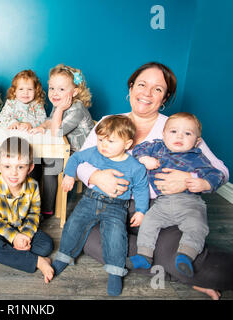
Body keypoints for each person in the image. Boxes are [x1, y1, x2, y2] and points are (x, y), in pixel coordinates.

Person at [75, 62, 231, 299]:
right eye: (142, 85)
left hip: (162, 211)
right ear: (131, 87)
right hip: (112, 207)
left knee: (207, 269)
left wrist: (188, 179)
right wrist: (96, 175)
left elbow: (221, 170)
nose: (147, 93)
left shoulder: (177, 128)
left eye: (157, 89)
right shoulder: (109, 121)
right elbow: (80, 163)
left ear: (165, 98)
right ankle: (175, 270)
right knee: (85, 237)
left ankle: (175, 264)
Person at [51, 115, 149, 296]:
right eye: (101, 139)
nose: (103, 145)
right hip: (90, 199)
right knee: (73, 225)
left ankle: (115, 271)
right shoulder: (94, 152)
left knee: (115, 236)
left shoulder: (136, 167)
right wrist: (70, 175)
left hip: (117, 206)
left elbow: (142, 189)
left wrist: (142, 211)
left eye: (110, 141)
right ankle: (64, 256)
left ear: (127, 144)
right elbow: (75, 159)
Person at [126, 112, 224, 278]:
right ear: (163, 134)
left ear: (197, 141)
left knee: (196, 226)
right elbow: (139, 148)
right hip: (161, 203)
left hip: (190, 203)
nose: (180, 136)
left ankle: (186, 255)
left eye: (187, 133)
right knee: (148, 223)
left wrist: (204, 183)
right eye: (173, 132)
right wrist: (144, 158)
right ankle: (144, 256)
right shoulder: (156, 147)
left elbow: (217, 174)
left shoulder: (197, 157)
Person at [0, 137, 54, 283]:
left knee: (46, 245)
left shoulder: (33, 186)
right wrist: (14, 237)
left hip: (22, 226)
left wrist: (25, 235)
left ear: (30, 168)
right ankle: (37, 261)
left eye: (20, 167)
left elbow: (34, 215)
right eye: (7, 167)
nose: (13, 173)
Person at [30, 64, 94, 218]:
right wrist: (41, 127)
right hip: (66, 149)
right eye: (52, 88)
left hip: (81, 155)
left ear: (75, 91)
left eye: (61, 89)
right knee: (35, 159)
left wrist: (58, 110)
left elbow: (57, 132)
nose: (55, 93)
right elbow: (51, 121)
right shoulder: (60, 104)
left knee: (51, 164)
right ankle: (32, 200)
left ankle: (47, 208)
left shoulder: (76, 109)